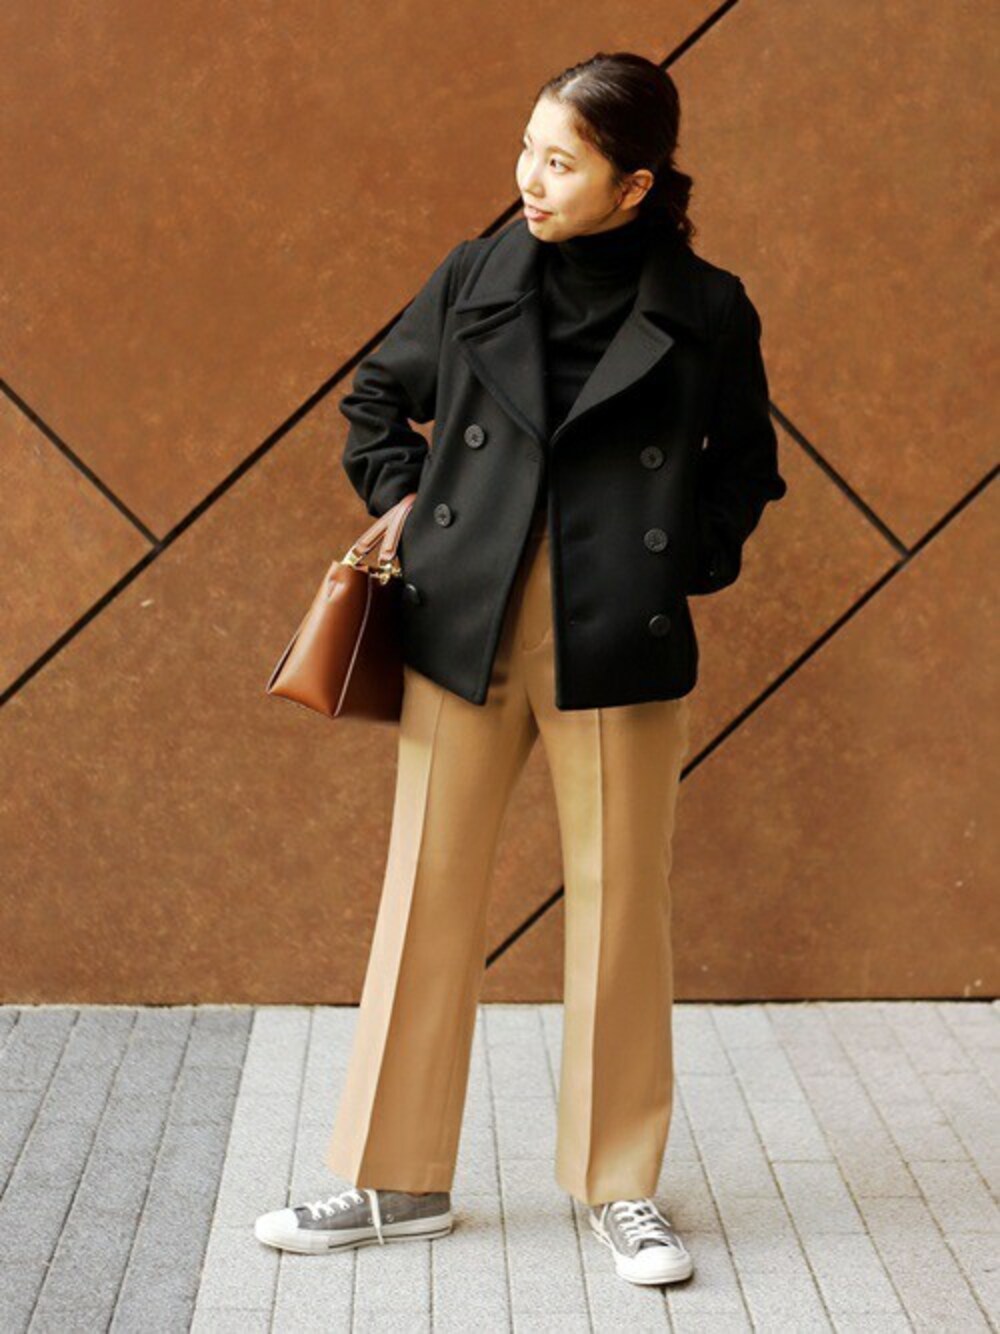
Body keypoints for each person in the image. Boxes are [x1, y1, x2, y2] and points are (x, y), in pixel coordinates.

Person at [255, 51, 787, 1288]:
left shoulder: (707, 307)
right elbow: (374, 400)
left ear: (633, 184)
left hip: (616, 630)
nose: (529, 181)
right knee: (425, 890)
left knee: (620, 908)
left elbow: (746, 465)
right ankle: (394, 1178)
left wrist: (680, 562)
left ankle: (618, 1184)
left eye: (560, 162)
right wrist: (408, 506)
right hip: (464, 615)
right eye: (527, 152)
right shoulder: (476, 275)